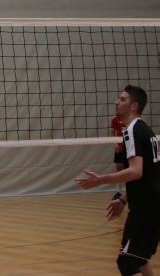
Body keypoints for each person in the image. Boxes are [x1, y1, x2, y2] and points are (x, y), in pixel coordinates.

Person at [75, 85, 160, 276]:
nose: (116, 102)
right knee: (139, 260)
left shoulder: (132, 131)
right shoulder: (147, 132)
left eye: (122, 99)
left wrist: (101, 180)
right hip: (153, 204)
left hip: (145, 208)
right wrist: (123, 198)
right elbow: (150, 175)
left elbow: (136, 171)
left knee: (126, 262)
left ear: (133, 106)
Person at [110, 113, 127, 198]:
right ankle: (118, 192)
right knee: (119, 171)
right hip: (120, 148)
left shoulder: (131, 117)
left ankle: (130, 191)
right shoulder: (115, 118)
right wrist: (115, 143)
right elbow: (112, 132)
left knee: (130, 170)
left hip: (129, 148)